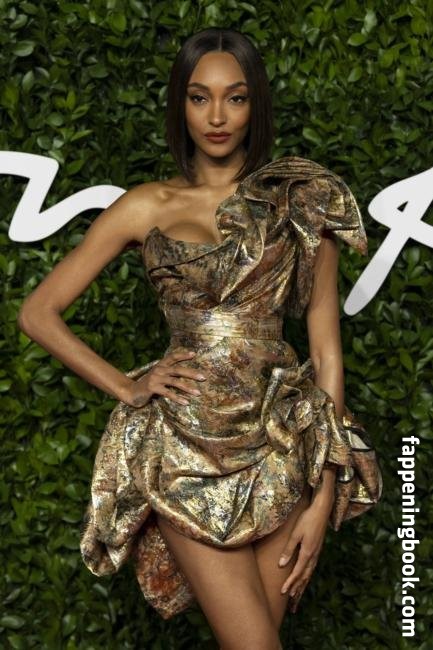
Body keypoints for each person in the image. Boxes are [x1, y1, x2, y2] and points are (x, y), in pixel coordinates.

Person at [18, 27, 382, 650]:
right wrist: (128, 386)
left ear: (255, 105)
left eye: (235, 98)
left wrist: (324, 496)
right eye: (199, 97)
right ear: (180, 105)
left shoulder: (300, 201)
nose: (217, 116)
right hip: (183, 446)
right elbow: (38, 312)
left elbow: (326, 353)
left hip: (282, 444)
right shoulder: (146, 205)